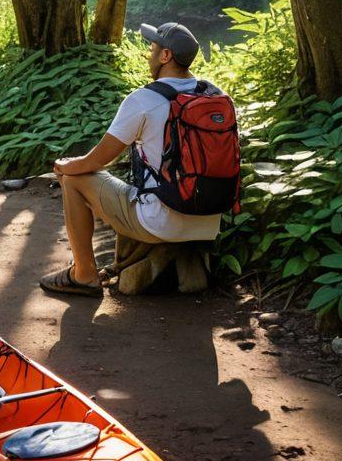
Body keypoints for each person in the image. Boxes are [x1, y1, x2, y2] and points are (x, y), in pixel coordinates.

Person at [39, 22, 232, 298]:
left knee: (74, 178)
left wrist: (66, 165)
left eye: (152, 49)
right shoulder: (217, 96)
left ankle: (83, 274)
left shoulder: (144, 99)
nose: (148, 54)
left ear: (166, 56)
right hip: (209, 222)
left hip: (161, 222)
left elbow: (97, 161)